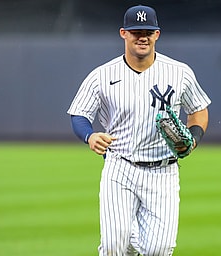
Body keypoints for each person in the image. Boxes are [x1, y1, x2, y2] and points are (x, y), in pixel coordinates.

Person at [67, 5, 211, 256]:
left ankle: (133, 240)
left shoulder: (180, 73)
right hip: (119, 166)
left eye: (148, 31)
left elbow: (198, 109)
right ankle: (128, 240)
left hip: (163, 171)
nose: (142, 36)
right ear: (123, 33)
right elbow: (79, 113)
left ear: (157, 34)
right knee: (113, 247)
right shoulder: (102, 75)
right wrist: (90, 135)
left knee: (159, 249)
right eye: (135, 31)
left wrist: (194, 138)